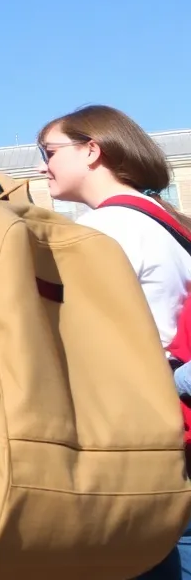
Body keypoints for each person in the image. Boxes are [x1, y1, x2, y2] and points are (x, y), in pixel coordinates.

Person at [39, 104, 191, 578]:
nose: (44, 165)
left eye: (50, 151)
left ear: (91, 150)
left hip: (139, 438)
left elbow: (72, 342)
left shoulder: (105, 231)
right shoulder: (166, 221)